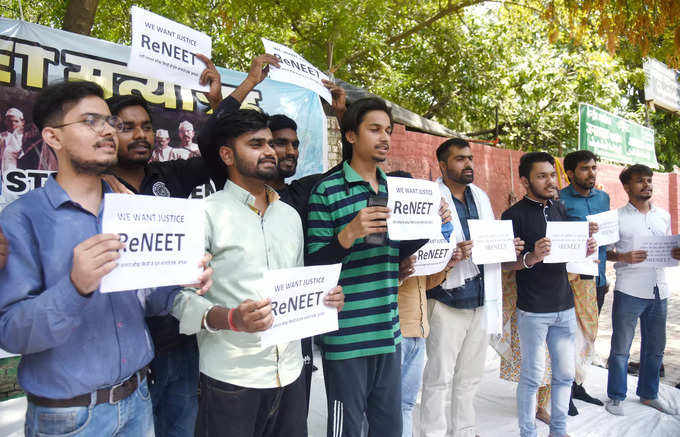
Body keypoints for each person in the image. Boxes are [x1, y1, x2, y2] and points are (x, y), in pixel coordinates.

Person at [0, 80, 211, 437]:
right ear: (53, 137)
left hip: (139, 400)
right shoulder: (21, 219)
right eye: (89, 121)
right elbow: (11, 334)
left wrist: (182, 276)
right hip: (69, 419)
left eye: (109, 122)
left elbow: (151, 302)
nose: (107, 131)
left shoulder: (132, 212)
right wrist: (74, 288)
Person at [172, 100, 344, 435]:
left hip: (291, 373)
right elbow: (179, 299)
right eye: (256, 144)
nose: (269, 151)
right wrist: (232, 319)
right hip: (232, 378)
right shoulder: (204, 214)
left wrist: (325, 298)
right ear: (227, 156)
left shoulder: (290, 216)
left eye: (270, 143)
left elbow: (296, 285)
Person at [102, 54, 225, 437]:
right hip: (119, 352)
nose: (140, 135)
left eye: (145, 127)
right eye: (127, 127)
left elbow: (221, 161)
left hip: (177, 341)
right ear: (106, 134)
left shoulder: (170, 175)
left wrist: (218, 104)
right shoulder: (89, 189)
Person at [306, 97, 427, 437]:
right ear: (350, 136)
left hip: (389, 333)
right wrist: (348, 234)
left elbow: (400, 250)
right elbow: (313, 267)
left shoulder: (395, 189)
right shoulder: (326, 191)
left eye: (388, 130)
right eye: (374, 129)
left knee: (389, 427)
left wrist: (431, 227)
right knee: (346, 429)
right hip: (346, 338)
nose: (384, 137)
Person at [420, 137, 524, 437]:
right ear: (443, 165)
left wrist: (508, 248)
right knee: (439, 375)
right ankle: (432, 432)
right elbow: (422, 246)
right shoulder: (431, 197)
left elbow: (488, 241)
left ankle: (464, 430)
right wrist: (449, 254)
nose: (468, 164)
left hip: (481, 295)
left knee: (470, 376)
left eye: (470, 158)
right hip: (445, 298)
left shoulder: (479, 196)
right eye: (460, 159)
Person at [501, 152, 596, 437]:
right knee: (531, 377)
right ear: (525, 181)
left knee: (565, 375)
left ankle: (558, 430)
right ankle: (527, 432)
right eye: (541, 176)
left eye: (552, 175)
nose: (550, 181)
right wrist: (531, 256)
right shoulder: (513, 215)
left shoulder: (559, 208)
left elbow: (566, 254)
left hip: (564, 306)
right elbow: (506, 263)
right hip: (533, 310)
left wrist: (585, 248)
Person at [605, 164, 679, 416]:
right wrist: (623, 256)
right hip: (629, 290)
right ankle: (616, 396)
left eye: (649, 180)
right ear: (627, 187)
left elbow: (669, 249)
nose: (646, 185)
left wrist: (675, 254)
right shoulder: (616, 217)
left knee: (655, 347)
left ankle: (649, 394)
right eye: (640, 181)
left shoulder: (663, 216)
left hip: (659, 290)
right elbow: (605, 252)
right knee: (621, 348)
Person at [559, 150, 609, 414]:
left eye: (594, 168)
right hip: (571, 279)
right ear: (570, 173)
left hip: (598, 278)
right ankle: (562, 391)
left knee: (588, 335)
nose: (591, 173)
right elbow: (557, 237)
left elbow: (609, 236)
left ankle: (578, 384)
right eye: (585, 169)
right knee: (567, 337)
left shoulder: (603, 197)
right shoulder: (560, 199)